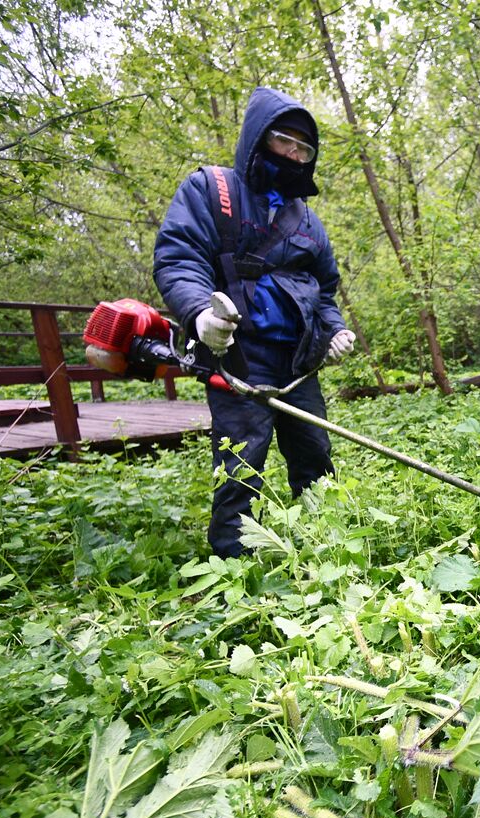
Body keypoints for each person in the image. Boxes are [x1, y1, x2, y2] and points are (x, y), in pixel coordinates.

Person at [154, 86, 356, 558]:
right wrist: (198, 314)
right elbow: (179, 259)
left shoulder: (306, 220)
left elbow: (323, 289)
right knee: (243, 461)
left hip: (298, 361)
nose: (295, 153)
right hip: (238, 356)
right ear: (259, 137)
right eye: (285, 140)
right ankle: (233, 564)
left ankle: (325, 549)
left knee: (315, 454)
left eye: (305, 149)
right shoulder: (210, 190)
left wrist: (334, 329)